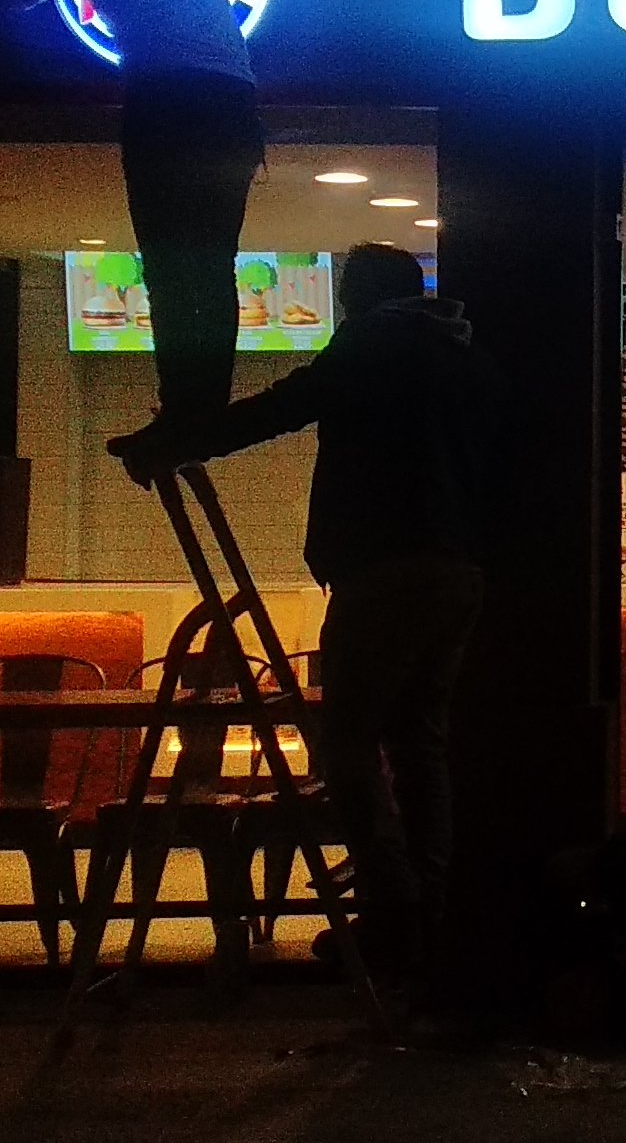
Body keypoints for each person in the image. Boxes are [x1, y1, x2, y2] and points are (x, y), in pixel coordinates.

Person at [114, 243, 496, 1016]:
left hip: (382, 567)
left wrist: (174, 442)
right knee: (419, 741)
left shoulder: (375, 341)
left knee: (347, 743)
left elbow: (286, 407)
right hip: (459, 569)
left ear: (359, 295)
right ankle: (427, 908)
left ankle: (392, 905)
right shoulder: (466, 357)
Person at [6, 0, 306, 433]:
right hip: (225, 99)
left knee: (168, 263)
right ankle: (201, 408)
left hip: (160, 102)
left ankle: (182, 406)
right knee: (211, 258)